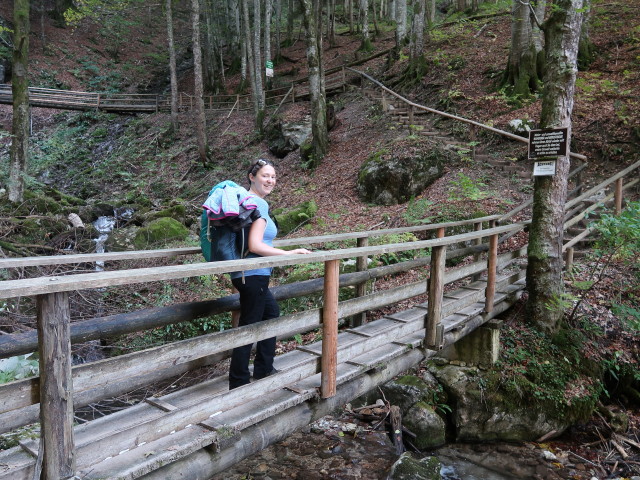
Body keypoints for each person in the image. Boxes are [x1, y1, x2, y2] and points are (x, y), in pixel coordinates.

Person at [228, 159, 312, 390]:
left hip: (246, 274)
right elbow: (255, 245)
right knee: (249, 325)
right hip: (253, 274)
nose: (270, 181)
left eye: (273, 177)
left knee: (271, 313)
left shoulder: (245, 201)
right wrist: (288, 253)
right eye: (265, 175)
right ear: (251, 176)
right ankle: (238, 382)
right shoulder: (257, 204)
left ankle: (264, 368)